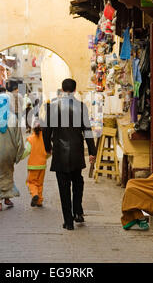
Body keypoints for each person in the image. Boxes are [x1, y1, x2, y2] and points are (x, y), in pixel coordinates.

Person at [43, 78, 97, 230]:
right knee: (78, 182)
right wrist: (92, 150)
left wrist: (48, 147)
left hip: (59, 152)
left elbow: (46, 131)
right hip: (76, 152)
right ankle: (78, 211)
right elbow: (87, 130)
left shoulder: (52, 107)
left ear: (62, 89)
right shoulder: (81, 107)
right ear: (74, 90)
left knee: (63, 187)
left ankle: (68, 221)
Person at [21, 121, 49, 207]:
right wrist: (44, 157)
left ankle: (35, 195)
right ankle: (39, 201)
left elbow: (26, 151)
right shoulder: (45, 139)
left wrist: (19, 157)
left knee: (31, 182)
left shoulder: (31, 139)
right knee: (40, 183)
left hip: (33, 166)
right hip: (42, 165)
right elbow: (49, 152)